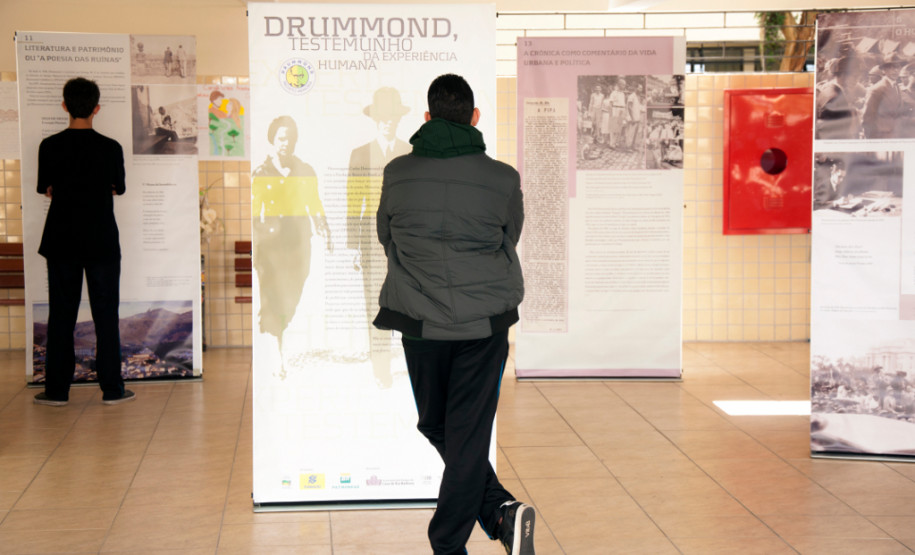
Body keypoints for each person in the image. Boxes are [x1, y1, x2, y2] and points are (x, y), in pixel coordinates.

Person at [373, 74, 534, 555]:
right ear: (474, 118)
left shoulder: (397, 173)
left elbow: (388, 237)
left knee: (440, 425)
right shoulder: (503, 178)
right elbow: (510, 237)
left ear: (426, 118)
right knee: (460, 430)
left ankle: (450, 542)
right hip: (484, 326)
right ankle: (499, 512)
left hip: (421, 325)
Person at [34, 77, 134, 406]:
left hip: (61, 241)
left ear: (64, 106)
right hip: (102, 241)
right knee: (106, 315)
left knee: (62, 315)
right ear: (97, 108)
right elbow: (116, 188)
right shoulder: (111, 148)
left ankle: (57, 391)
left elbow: (46, 189)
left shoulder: (49, 146)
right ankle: (112, 390)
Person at [252, 115, 330, 375]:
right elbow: (254, 212)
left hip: (298, 245)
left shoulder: (305, 170)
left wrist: (324, 229)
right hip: (271, 247)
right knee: (272, 297)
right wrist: (258, 243)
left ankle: (280, 339)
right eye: (281, 138)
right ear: (273, 140)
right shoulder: (261, 173)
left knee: (291, 297)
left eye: (291, 138)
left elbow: (314, 204)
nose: (286, 143)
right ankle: (277, 355)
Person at [346, 88, 411, 388]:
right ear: (375, 119)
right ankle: (381, 368)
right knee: (376, 304)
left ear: (398, 119)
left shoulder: (410, 153)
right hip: (372, 242)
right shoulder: (360, 154)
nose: (388, 122)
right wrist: (354, 246)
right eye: (382, 117)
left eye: (392, 117)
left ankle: (412, 361)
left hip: (406, 241)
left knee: (410, 301)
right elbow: (353, 202)